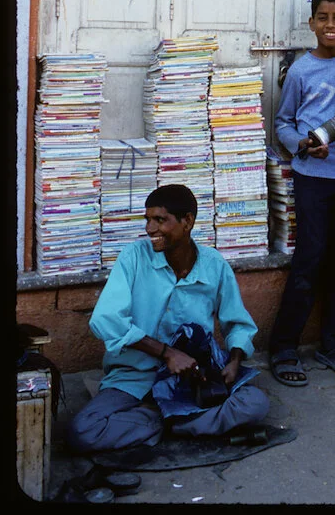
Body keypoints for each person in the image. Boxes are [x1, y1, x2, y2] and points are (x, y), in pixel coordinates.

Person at [67, 184, 269, 452]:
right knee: (83, 431)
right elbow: (106, 319)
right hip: (135, 377)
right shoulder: (133, 257)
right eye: (148, 220)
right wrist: (165, 353)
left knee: (255, 403)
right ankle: (176, 421)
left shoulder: (214, 265)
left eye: (160, 220)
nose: (150, 229)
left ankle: (159, 422)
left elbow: (237, 323)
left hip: (191, 380)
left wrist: (234, 361)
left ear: (187, 221)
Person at [269, 0, 335, 388]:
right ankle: (284, 346)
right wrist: (303, 145)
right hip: (313, 177)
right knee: (309, 259)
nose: (330, 25)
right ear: (311, 24)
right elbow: (282, 123)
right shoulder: (300, 71)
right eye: (322, 18)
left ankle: (333, 344)